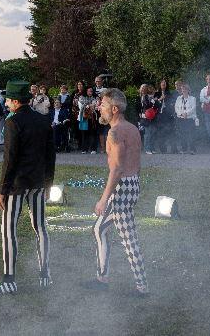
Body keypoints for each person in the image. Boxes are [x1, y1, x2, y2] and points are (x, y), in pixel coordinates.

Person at [0, 80, 55, 295]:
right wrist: (49, 182)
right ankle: (44, 274)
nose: (6, 105)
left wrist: (2, 190)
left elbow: (10, 159)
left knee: (8, 229)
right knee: (40, 228)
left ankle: (9, 278)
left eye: (8, 102)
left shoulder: (13, 122)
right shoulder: (43, 121)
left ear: (15, 101)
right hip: (38, 183)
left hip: (17, 185)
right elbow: (51, 155)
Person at [83, 88, 148, 296]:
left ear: (114, 109)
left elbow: (117, 168)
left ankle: (142, 287)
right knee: (100, 229)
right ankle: (102, 278)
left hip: (123, 188)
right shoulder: (132, 128)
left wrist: (104, 199)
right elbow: (135, 164)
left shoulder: (115, 132)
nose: (98, 108)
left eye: (102, 105)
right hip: (132, 184)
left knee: (128, 238)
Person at [174, 81, 199, 154]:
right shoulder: (179, 98)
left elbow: (193, 108)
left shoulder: (193, 98)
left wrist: (186, 113)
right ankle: (184, 149)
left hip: (190, 119)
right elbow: (176, 108)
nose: (183, 90)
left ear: (188, 90)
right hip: (181, 119)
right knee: (182, 134)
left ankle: (192, 149)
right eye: (182, 89)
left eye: (185, 89)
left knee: (191, 134)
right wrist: (181, 114)